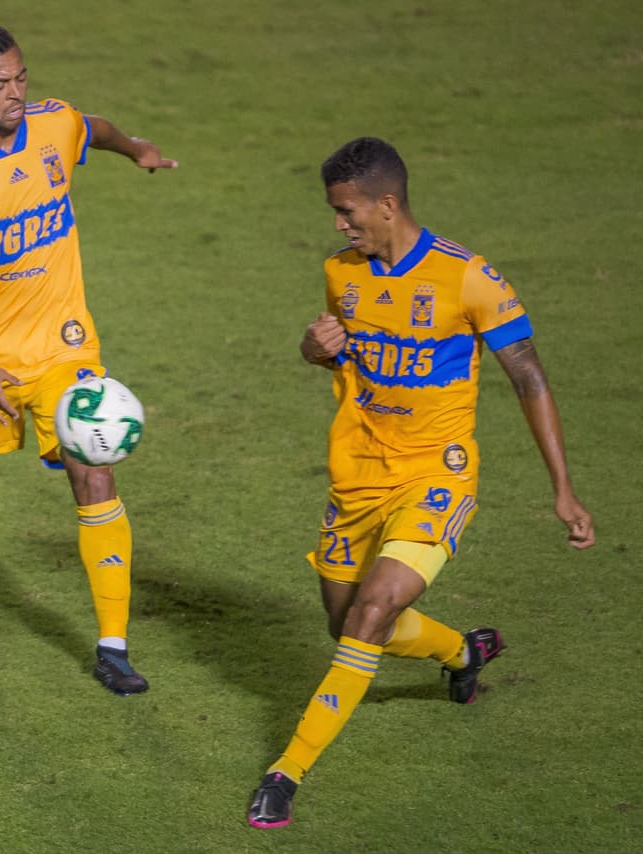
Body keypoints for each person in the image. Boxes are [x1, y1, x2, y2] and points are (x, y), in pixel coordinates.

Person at [247, 137, 595, 827]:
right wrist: (314, 350)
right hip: (357, 475)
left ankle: (286, 773)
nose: (339, 224)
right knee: (346, 621)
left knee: (371, 612)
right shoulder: (340, 272)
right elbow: (341, 355)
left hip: (438, 474)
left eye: (346, 211)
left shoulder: (468, 278)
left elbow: (528, 377)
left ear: (386, 204)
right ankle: (464, 651)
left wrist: (563, 488)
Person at [0, 22, 177, 695]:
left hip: (63, 349)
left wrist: (136, 148)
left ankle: (112, 647)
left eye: (20, 78)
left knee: (94, 470)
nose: (15, 93)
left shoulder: (53, 124)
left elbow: (93, 129)